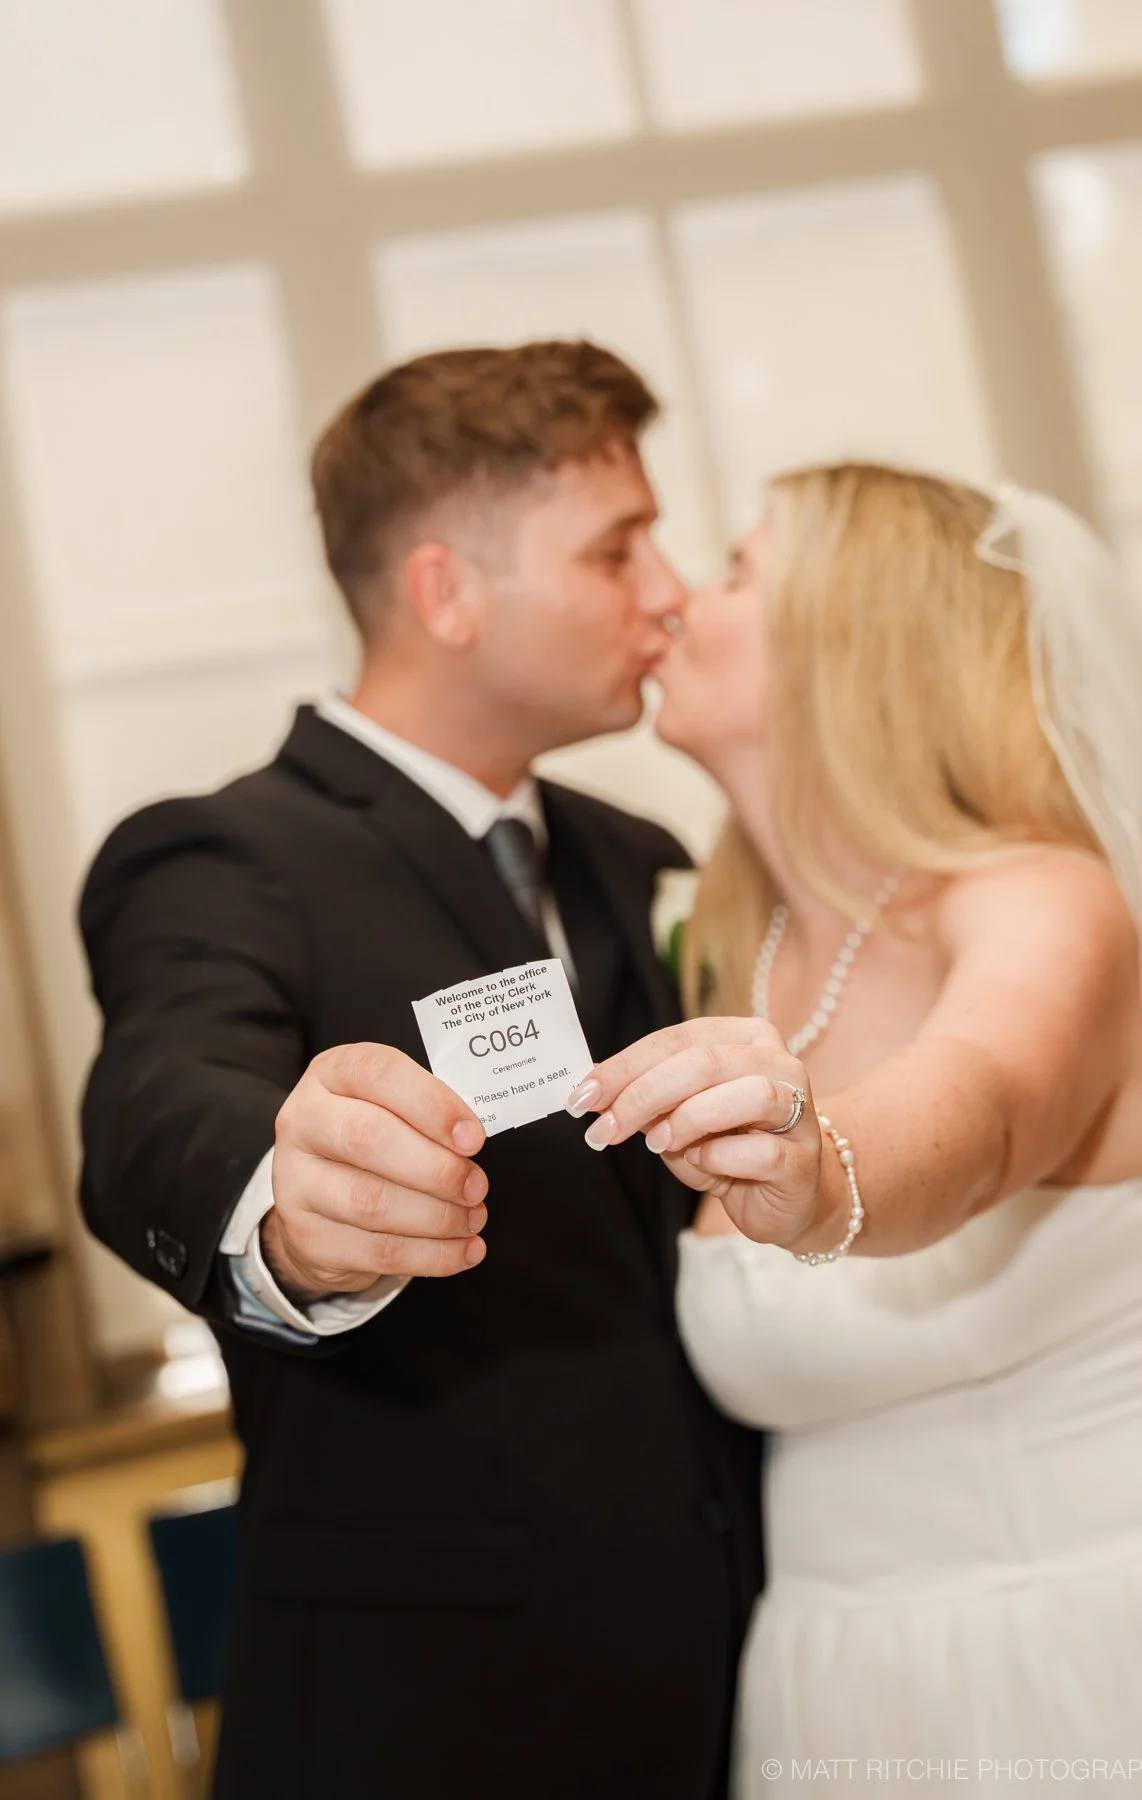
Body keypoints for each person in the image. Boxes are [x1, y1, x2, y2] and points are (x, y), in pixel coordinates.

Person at [78, 341, 762, 1800]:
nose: (670, 591)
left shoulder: (637, 857)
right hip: (433, 1719)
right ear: (448, 593)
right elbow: (163, 1087)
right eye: (618, 548)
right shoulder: (223, 856)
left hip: (716, 1680)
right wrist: (285, 1202)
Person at [568, 465, 1142, 1794]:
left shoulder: (1047, 903)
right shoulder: (735, 951)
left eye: (736, 570)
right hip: (838, 1693)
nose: (676, 594)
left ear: (852, 645)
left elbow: (979, 1107)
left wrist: (821, 1168)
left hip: (1109, 1660)